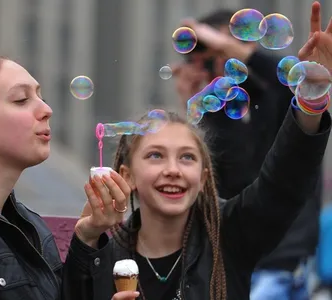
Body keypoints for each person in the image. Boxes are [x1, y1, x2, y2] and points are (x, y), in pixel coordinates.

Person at [69, 3, 332, 299]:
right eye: (155, 155)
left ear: (203, 175)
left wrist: (311, 94)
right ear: (127, 174)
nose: (173, 169)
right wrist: (86, 237)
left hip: (283, 264)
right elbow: (227, 162)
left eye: (187, 158)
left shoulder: (229, 235)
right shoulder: (102, 255)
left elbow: (283, 178)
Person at [0, 51, 135, 300]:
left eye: (41, 96)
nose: (47, 110)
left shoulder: (31, 226)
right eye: (21, 100)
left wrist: (88, 236)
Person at [173, 5, 325, 299]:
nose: (216, 67)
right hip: (237, 258)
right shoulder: (219, 114)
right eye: (204, 62)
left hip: (283, 258)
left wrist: (227, 47)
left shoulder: (276, 93)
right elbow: (227, 180)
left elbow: (295, 87)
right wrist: (195, 107)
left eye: (221, 54)